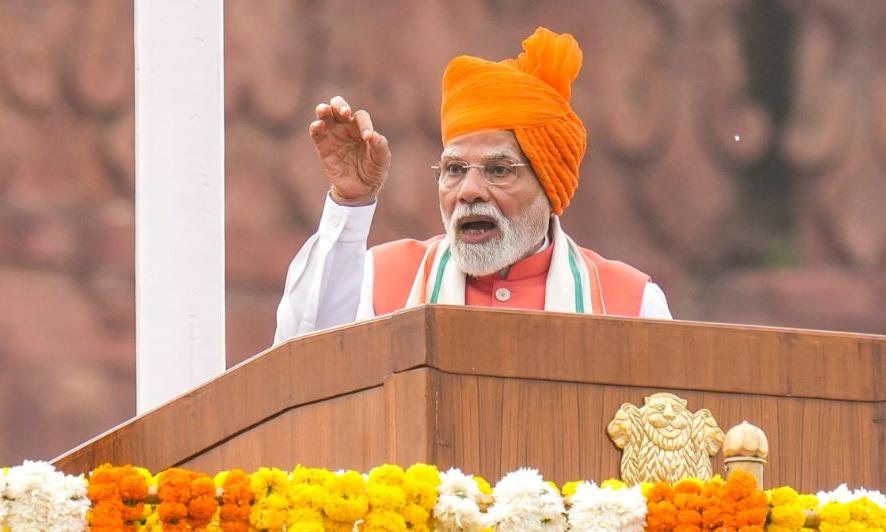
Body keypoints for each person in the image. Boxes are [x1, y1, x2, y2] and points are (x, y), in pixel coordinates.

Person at [274, 27, 671, 344]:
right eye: (455, 169)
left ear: (550, 187)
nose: (468, 191)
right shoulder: (385, 278)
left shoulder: (631, 303)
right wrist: (350, 203)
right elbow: (305, 361)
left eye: (498, 170)